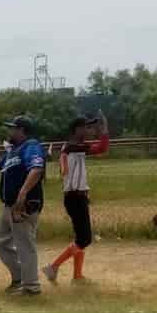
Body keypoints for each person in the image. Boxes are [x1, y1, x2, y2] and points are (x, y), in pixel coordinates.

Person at [43, 115, 110, 284]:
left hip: (77, 196)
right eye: (86, 128)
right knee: (84, 239)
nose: (88, 131)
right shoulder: (72, 147)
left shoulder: (74, 147)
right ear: (77, 130)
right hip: (74, 197)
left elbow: (100, 148)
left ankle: (77, 276)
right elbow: (102, 148)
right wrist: (103, 130)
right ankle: (53, 266)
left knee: (80, 238)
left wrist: (101, 130)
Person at [0, 115, 48, 295]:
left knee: (25, 244)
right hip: (9, 206)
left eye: (13, 128)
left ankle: (31, 286)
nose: (10, 131)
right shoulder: (13, 151)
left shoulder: (31, 146)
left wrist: (22, 193)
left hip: (23, 205)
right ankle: (19, 276)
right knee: (0, 240)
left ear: (22, 131)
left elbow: (37, 169)